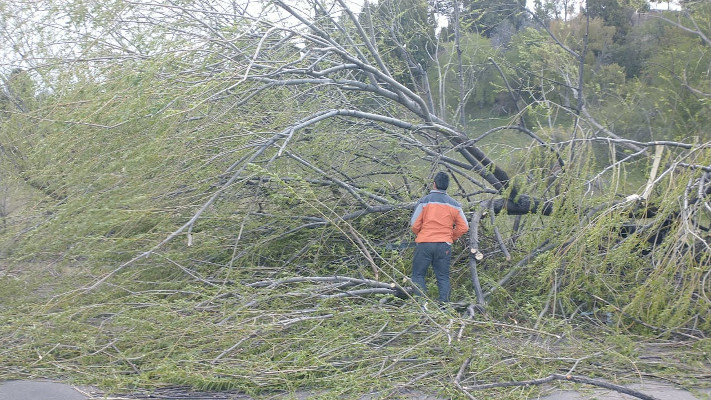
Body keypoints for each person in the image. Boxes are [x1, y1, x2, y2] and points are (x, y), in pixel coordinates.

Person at [409, 172, 469, 303]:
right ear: (446, 186)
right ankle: (444, 308)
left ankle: (422, 305)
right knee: (443, 277)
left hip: (425, 243)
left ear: (434, 184)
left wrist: (422, 234)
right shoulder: (455, 204)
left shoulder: (424, 201)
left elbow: (414, 224)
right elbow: (464, 227)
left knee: (418, 275)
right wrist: (450, 237)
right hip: (444, 245)